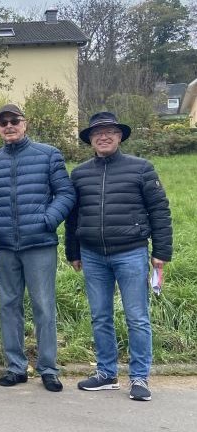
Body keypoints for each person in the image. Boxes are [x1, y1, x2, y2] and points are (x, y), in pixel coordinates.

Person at [66, 111, 172, 402]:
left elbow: (159, 211)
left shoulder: (142, 169)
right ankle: (106, 373)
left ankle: (139, 377)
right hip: (92, 255)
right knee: (100, 317)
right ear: (90, 139)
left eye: (110, 131)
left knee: (137, 318)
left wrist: (161, 252)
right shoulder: (80, 173)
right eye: (97, 132)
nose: (104, 136)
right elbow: (73, 217)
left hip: (131, 253)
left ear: (120, 136)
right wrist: (73, 251)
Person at [0, 103, 75, 392]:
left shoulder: (48, 155)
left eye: (14, 121)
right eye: (3, 122)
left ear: (25, 123)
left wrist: (48, 220)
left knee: (43, 306)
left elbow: (66, 194)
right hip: (6, 245)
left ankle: (48, 368)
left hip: (40, 244)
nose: (9, 126)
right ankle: (15, 367)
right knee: (9, 305)